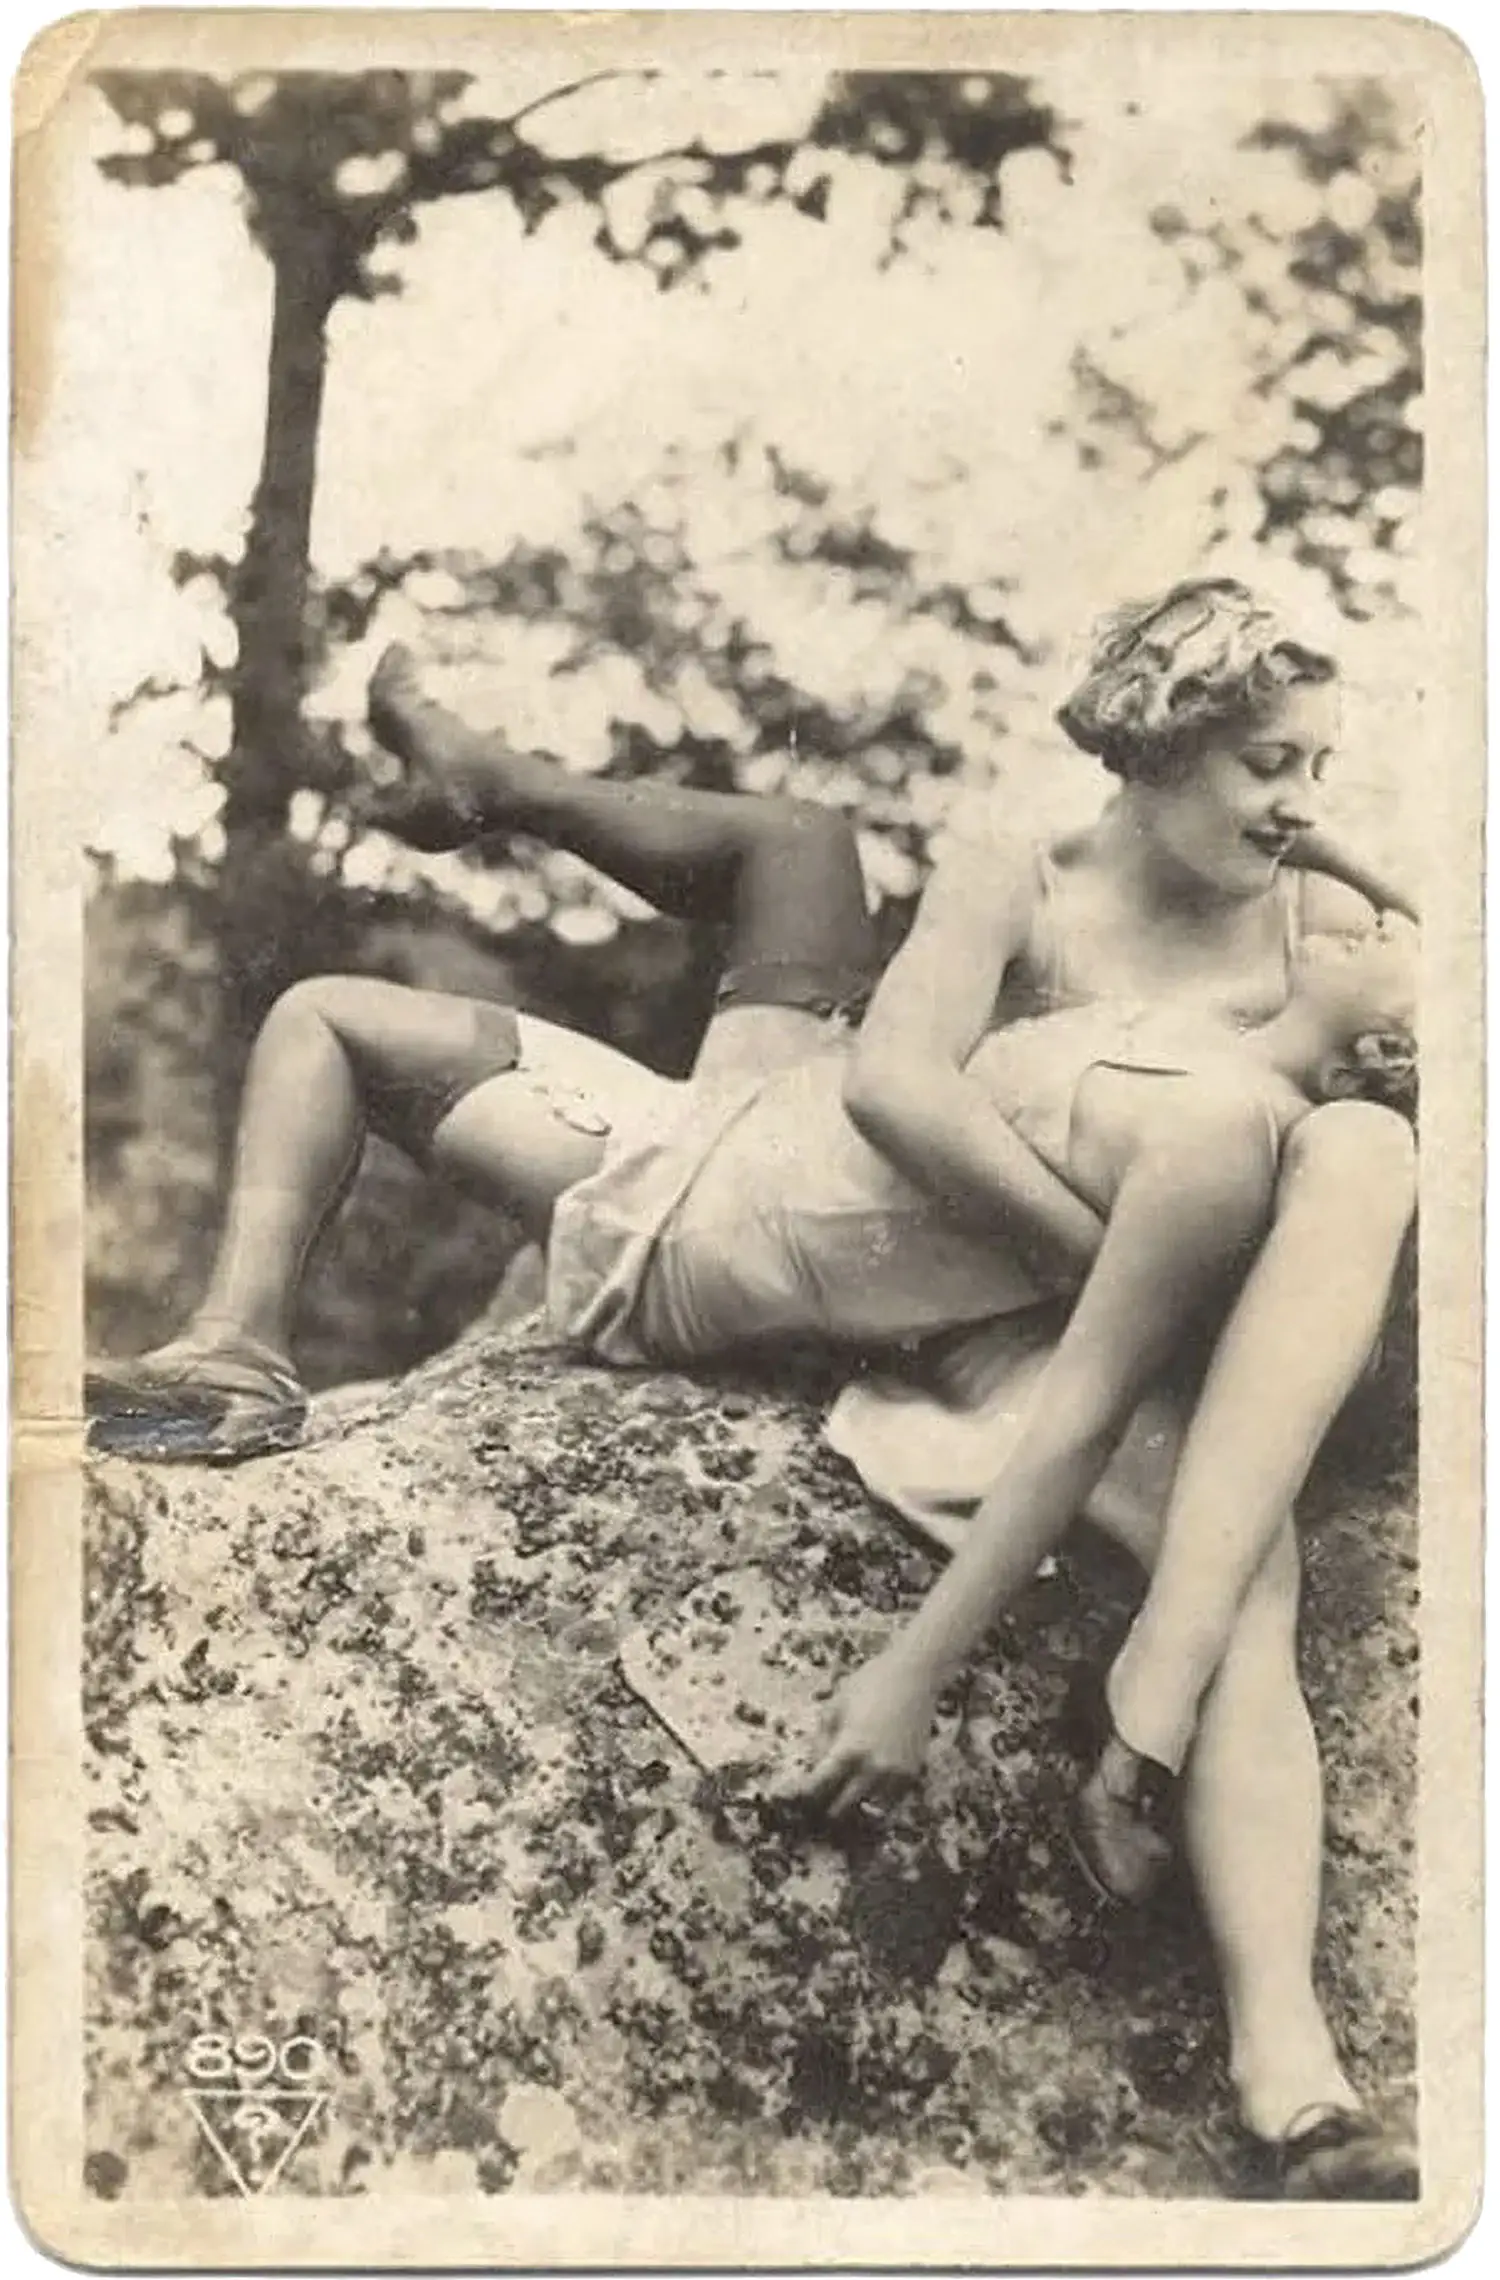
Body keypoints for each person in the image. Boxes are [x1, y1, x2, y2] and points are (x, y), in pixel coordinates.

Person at [87, 577, 1419, 2196]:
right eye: (1269, 763)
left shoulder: (1312, 928)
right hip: (820, 1202)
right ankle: (240, 1336)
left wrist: (1381, 950)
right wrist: (1111, 1256)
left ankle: (1300, 2090)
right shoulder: (1033, 882)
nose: (1301, 803)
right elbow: (897, 1091)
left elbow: (1347, 1115)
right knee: (712, 886)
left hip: (967, 1296)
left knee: (1244, 1561)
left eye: (1316, 768)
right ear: (1157, 746)